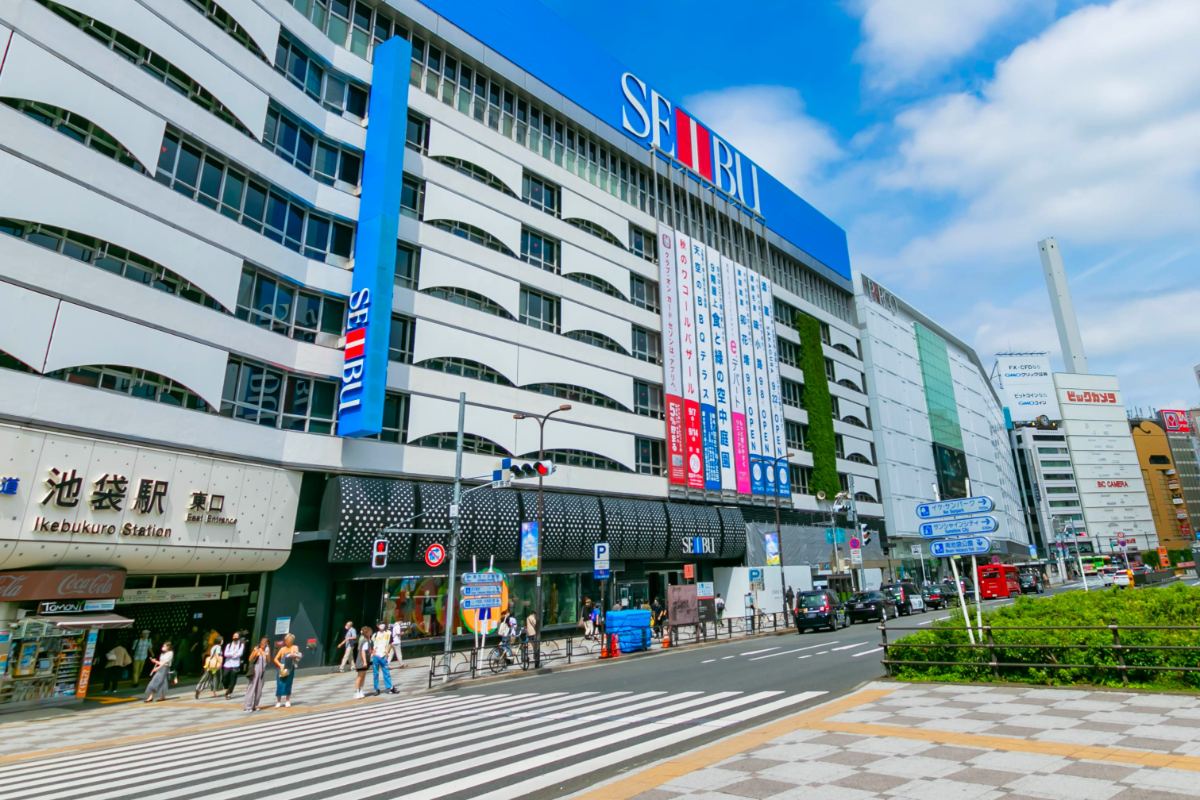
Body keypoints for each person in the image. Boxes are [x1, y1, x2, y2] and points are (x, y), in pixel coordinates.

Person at [273, 633, 301, 708]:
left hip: (290, 668)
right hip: (282, 668)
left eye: (289, 640)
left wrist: (295, 655)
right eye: (286, 640)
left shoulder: (295, 647)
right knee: (280, 684)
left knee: (288, 683)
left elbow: (298, 657)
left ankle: (287, 700)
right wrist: (280, 665)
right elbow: (275, 659)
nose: (287, 642)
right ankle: (278, 701)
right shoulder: (282, 649)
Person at [370, 622, 398, 695]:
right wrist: (373, 653)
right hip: (376, 656)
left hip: (383, 655)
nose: (382, 626)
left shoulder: (388, 633)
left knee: (386, 672)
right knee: (375, 673)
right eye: (380, 624)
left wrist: (387, 652)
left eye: (383, 624)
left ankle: (389, 687)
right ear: (377, 626)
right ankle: (376, 689)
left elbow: (391, 643)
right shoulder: (375, 634)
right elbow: (371, 645)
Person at [242, 638, 269, 712]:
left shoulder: (266, 651)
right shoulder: (256, 649)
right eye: (262, 642)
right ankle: (247, 706)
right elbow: (250, 659)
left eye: (265, 642)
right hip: (255, 671)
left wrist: (267, 653)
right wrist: (256, 653)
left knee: (259, 690)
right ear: (260, 643)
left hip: (262, 672)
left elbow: (268, 661)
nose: (264, 644)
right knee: (251, 688)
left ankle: (256, 705)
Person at [221, 632, 245, 699]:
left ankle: (229, 693)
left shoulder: (241, 645)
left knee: (233, 680)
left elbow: (239, 654)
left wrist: (231, 654)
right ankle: (226, 688)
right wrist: (233, 653)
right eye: (234, 636)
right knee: (224, 677)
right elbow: (225, 654)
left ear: (239, 637)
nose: (235, 638)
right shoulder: (228, 645)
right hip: (227, 664)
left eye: (236, 636)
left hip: (235, 665)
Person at [352, 625, 373, 699]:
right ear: (367, 633)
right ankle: (357, 691)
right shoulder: (364, 640)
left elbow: (368, 651)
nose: (371, 633)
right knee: (360, 676)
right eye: (370, 632)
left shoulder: (368, 640)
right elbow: (362, 652)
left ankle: (361, 690)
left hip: (365, 661)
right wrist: (364, 662)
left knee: (363, 676)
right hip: (361, 661)